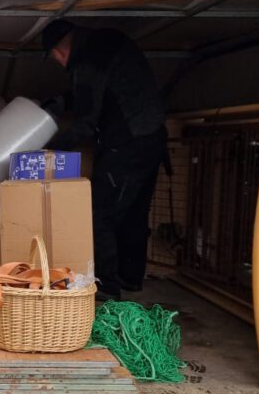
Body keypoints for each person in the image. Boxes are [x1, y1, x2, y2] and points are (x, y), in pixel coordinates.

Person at [42, 19, 167, 300]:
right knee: (134, 211)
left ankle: (107, 288)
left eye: (54, 58)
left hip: (127, 144)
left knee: (100, 212)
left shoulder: (87, 61)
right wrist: (59, 103)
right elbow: (91, 93)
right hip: (151, 137)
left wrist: (49, 151)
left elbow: (86, 122)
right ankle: (130, 278)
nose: (58, 63)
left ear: (59, 51)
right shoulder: (105, 41)